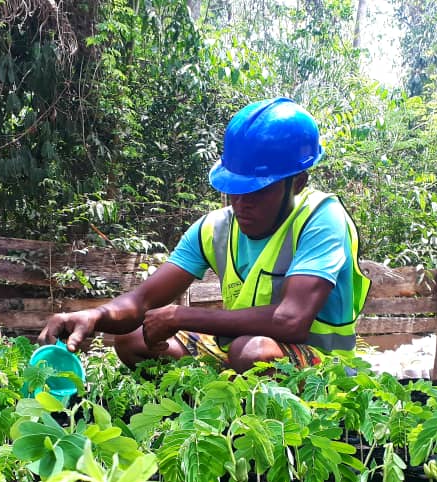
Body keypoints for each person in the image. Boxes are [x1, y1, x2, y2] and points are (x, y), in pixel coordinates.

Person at [38, 97, 370, 372]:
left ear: (296, 182)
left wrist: (181, 316)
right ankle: (192, 419)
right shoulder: (215, 228)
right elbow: (141, 301)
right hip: (237, 352)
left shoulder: (322, 218)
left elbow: (290, 321)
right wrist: (93, 316)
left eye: (257, 192)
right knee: (133, 340)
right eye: (234, 191)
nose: (241, 204)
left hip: (322, 365)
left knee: (251, 353)